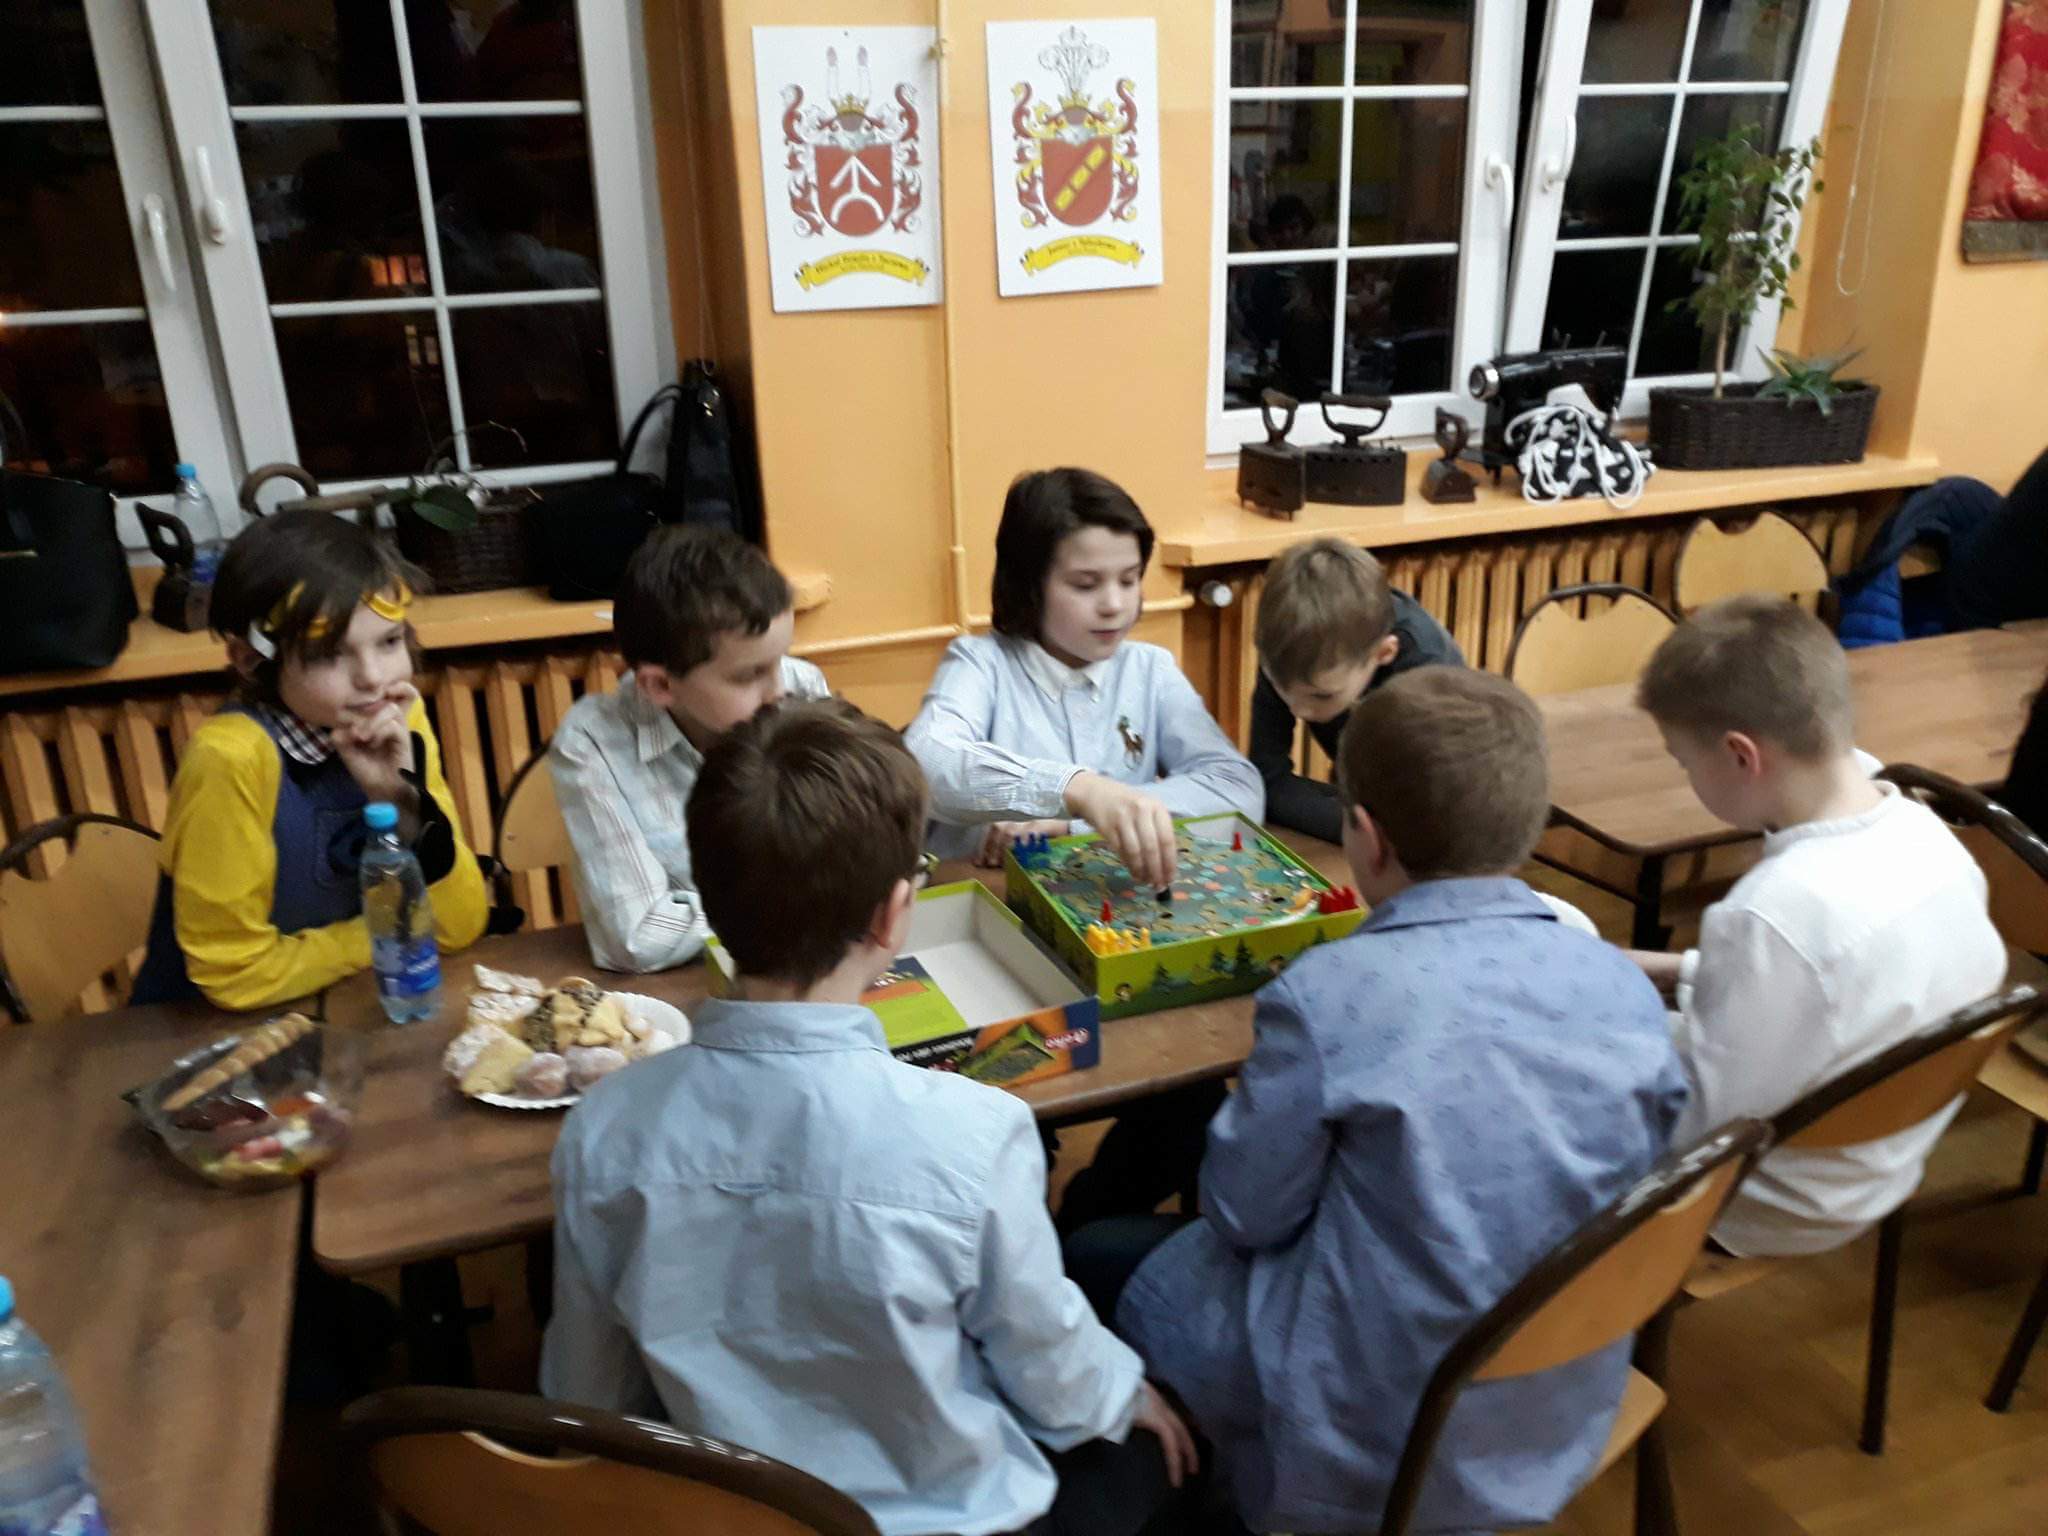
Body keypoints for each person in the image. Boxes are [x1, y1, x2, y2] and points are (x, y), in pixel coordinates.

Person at [541, 698, 1197, 1536]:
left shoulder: (601, 1130)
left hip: (721, 1517)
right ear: (894, 917)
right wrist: (1120, 1394)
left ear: (706, 895)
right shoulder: (976, 1136)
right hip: (948, 1517)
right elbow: (1046, 1361)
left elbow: (589, 1396)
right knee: (1158, 1449)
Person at [1077, 667, 1687, 1535]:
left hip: (1384, 1426)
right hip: (1559, 1395)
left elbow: (1243, 1216)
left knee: (1092, 1252)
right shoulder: (1623, 987)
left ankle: (1203, 1488)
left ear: (1365, 837)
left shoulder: (1327, 993)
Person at [1630, 595, 2006, 1256]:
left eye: (1683, 761)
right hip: (1878, 1166)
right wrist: (1680, 972)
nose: (1685, 776)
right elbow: (1833, 995)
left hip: (1759, 1199)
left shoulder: (1771, 914)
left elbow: (1699, 1133)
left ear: (1741, 756)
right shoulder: (1929, 837)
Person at [130, 510, 488, 1009]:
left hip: (344, 1008)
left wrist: (402, 801)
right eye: (329, 655)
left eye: (389, 641)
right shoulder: (230, 759)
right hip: (209, 1030)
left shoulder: (399, 721)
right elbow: (234, 974)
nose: (373, 678)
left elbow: (460, 922)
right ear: (251, 659)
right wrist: (388, 931)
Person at [906, 466, 1262, 891]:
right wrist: (1078, 790)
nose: (1114, 604)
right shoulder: (981, 663)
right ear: (1029, 586)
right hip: (991, 900)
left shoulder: (1150, 669)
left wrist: (1076, 823)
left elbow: (1239, 790)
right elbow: (925, 762)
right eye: (1085, 585)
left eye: (1129, 580)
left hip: (1109, 906)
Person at [549, 526, 828, 972]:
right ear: (661, 685)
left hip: (805, 965)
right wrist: (799, 902)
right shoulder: (591, 745)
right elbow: (638, 936)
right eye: (749, 675)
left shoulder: (802, 687)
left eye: (780, 660)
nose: (779, 690)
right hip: (690, 988)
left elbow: (852, 847)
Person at [1248, 537, 1463, 842]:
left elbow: (1422, 821)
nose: (1298, 709)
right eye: (1278, 685)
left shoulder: (1428, 675)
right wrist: (1363, 825)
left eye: (1322, 695)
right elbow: (1266, 780)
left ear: (1383, 654)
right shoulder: (1288, 646)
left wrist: (1370, 826)